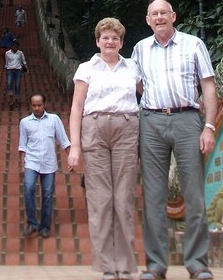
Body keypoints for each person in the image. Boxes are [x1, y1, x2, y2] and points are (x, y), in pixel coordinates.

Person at [132, 0, 218, 280]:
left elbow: (208, 85)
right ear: (147, 20)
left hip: (187, 120)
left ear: (173, 16)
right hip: (152, 121)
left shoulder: (194, 44)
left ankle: (197, 263)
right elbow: (136, 85)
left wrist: (209, 127)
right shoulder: (140, 49)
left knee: (194, 195)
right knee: (153, 197)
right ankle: (155, 266)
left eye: (163, 13)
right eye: (153, 14)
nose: (158, 17)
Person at [68, 18, 142, 280]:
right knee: (100, 199)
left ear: (122, 42)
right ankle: (107, 266)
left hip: (126, 128)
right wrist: (74, 146)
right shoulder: (86, 68)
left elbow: (150, 94)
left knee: (123, 198)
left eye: (115, 38)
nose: (109, 42)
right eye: (105, 37)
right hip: (94, 128)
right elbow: (77, 107)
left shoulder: (133, 67)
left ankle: (124, 263)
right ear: (97, 41)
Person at [18, 94, 71, 240]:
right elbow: (22, 145)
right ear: (31, 106)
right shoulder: (25, 122)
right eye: (34, 105)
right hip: (31, 161)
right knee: (28, 187)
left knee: (47, 194)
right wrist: (21, 164)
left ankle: (45, 227)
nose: (37, 108)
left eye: (39, 105)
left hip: (49, 163)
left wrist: (71, 157)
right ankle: (32, 224)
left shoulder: (54, 120)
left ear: (44, 105)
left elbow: (64, 141)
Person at [4, 40, 28, 110]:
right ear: (11, 46)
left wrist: (26, 68)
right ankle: (11, 98)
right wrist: (7, 68)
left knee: (17, 85)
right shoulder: (7, 53)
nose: (15, 48)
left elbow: (23, 61)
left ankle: (17, 99)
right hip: (10, 69)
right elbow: (7, 61)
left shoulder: (20, 53)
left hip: (18, 70)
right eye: (14, 46)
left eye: (16, 47)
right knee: (9, 83)